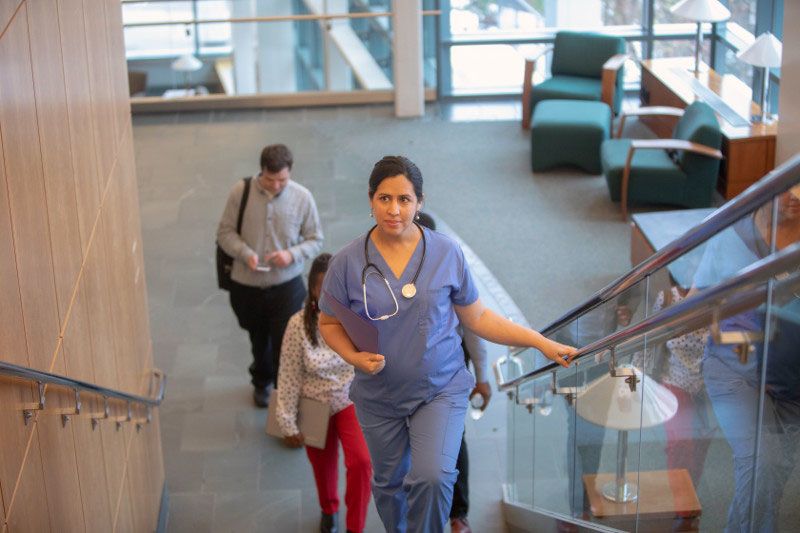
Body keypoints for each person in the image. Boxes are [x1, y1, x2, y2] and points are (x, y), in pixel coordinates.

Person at [317, 155, 576, 533]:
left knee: (434, 477)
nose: (394, 210)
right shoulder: (345, 263)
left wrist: (538, 342)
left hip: (438, 388)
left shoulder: (446, 252)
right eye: (384, 198)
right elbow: (328, 321)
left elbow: (479, 318)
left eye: (404, 199)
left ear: (420, 202)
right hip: (379, 394)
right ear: (371, 200)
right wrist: (352, 355)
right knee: (389, 485)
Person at [693, 186, 800, 532]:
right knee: (761, 464)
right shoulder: (732, 237)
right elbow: (696, 303)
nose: (796, 197)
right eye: (790, 189)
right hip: (735, 368)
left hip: (792, 379)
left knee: (771, 478)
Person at [216, 143, 323, 407]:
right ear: (261, 171)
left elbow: (315, 239)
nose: (276, 185)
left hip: (286, 286)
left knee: (285, 346)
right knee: (258, 338)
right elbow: (225, 233)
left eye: (283, 180)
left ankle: (283, 393)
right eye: (270, 179)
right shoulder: (240, 192)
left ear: (291, 172)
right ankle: (261, 379)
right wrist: (245, 253)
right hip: (247, 286)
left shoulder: (302, 197)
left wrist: (291, 255)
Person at [276, 253, 372, 533]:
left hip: (348, 398)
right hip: (312, 403)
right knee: (322, 465)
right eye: (322, 286)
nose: (329, 292)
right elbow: (289, 374)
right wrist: (286, 421)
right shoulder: (297, 325)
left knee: (362, 462)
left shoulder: (356, 317)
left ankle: (355, 526)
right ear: (313, 289)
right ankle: (328, 509)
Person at [414, 212, 491, 533]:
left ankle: (458, 514)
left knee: (454, 440)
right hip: (409, 373)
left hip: (449, 366)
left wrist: (483, 377)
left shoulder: (452, 271)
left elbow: (475, 327)